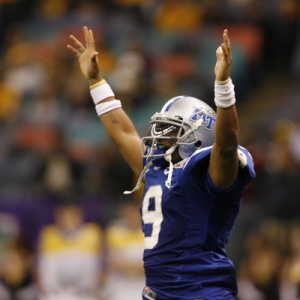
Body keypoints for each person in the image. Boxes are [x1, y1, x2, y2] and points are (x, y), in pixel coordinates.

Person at [67, 26, 256, 300]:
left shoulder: (209, 172)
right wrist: (96, 81)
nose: (160, 137)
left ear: (199, 137)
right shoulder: (156, 167)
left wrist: (223, 86)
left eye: (171, 131)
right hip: (159, 292)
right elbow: (123, 134)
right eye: (161, 128)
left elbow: (226, 147)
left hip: (200, 293)